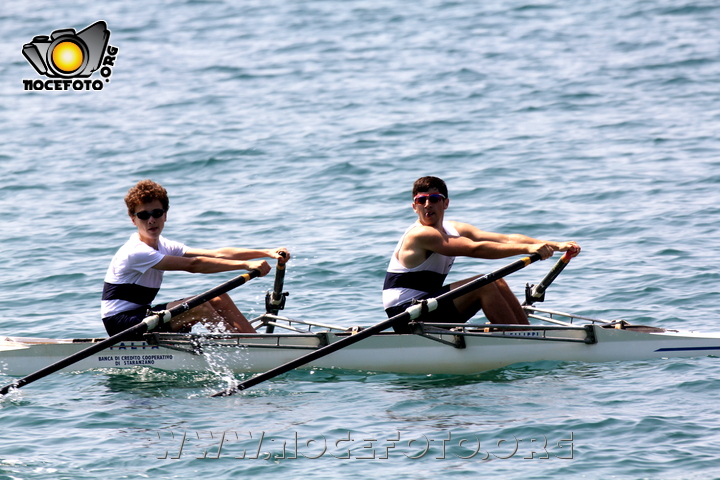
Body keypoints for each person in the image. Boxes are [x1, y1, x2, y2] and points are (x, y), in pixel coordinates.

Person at [382, 176, 579, 333]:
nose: (427, 205)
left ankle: (525, 332)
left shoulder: (453, 228)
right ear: (414, 206)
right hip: (406, 314)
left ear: (445, 203)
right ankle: (521, 339)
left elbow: (504, 239)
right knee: (485, 285)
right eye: (421, 200)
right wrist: (528, 249)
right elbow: (475, 249)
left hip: (426, 305)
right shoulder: (421, 234)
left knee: (497, 281)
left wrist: (555, 245)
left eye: (434, 199)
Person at [101, 180, 290, 338]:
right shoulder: (136, 252)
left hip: (141, 314)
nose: (151, 220)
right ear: (133, 219)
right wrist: (245, 265)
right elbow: (194, 265)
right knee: (199, 307)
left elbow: (216, 254)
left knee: (218, 298)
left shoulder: (164, 245)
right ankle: (240, 352)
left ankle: (254, 343)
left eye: (157, 213)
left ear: (165, 215)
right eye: (143, 215)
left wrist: (267, 252)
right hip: (121, 324)